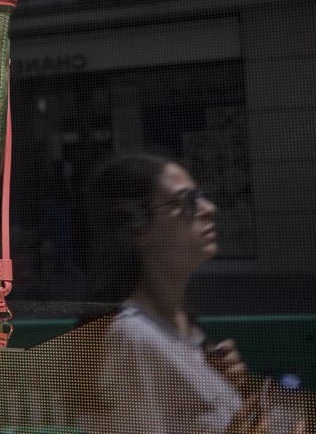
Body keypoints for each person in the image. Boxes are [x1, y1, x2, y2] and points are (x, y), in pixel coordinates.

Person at [71, 152, 286, 433]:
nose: (209, 208)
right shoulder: (131, 339)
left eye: (201, 197)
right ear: (139, 228)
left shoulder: (177, 329)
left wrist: (232, 393)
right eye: (187, 202)